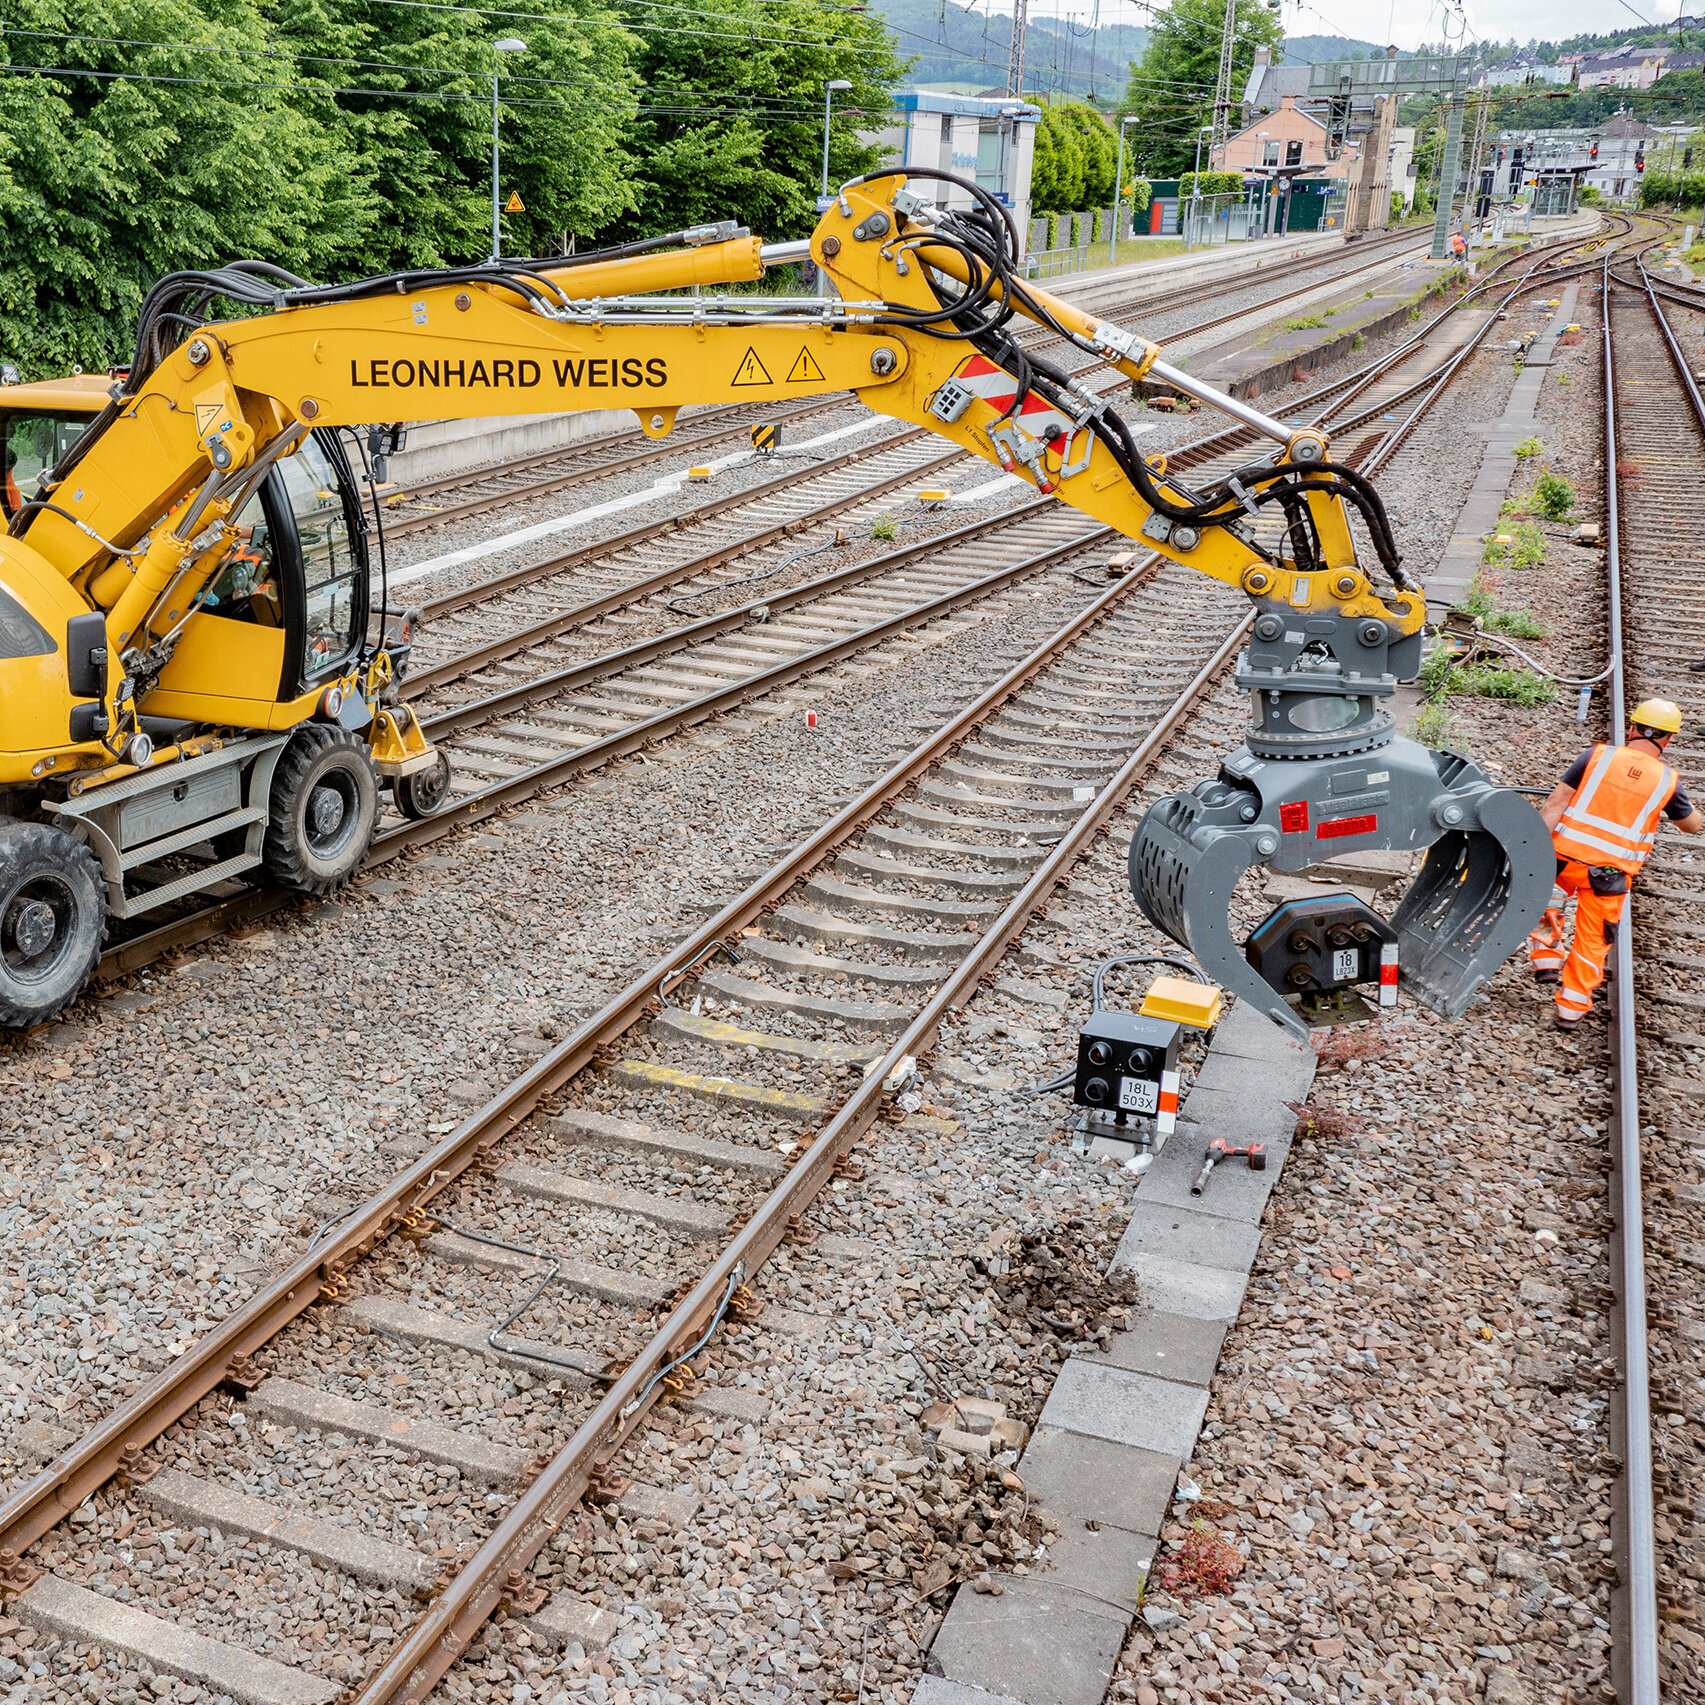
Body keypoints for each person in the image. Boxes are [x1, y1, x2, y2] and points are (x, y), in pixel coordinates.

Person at [1528, 700, 1704, 1030]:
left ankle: (1547, 962)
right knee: (1594, 939)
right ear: (1668, 740)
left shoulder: (1596, 756)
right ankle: (1570, 1009)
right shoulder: (1667, 781)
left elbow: (1555, 804)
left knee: (1545, 903)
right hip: (1608, 874)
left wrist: (1533, 852)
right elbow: (1691, 825)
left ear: (1633, 728)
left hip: (1563, 859)